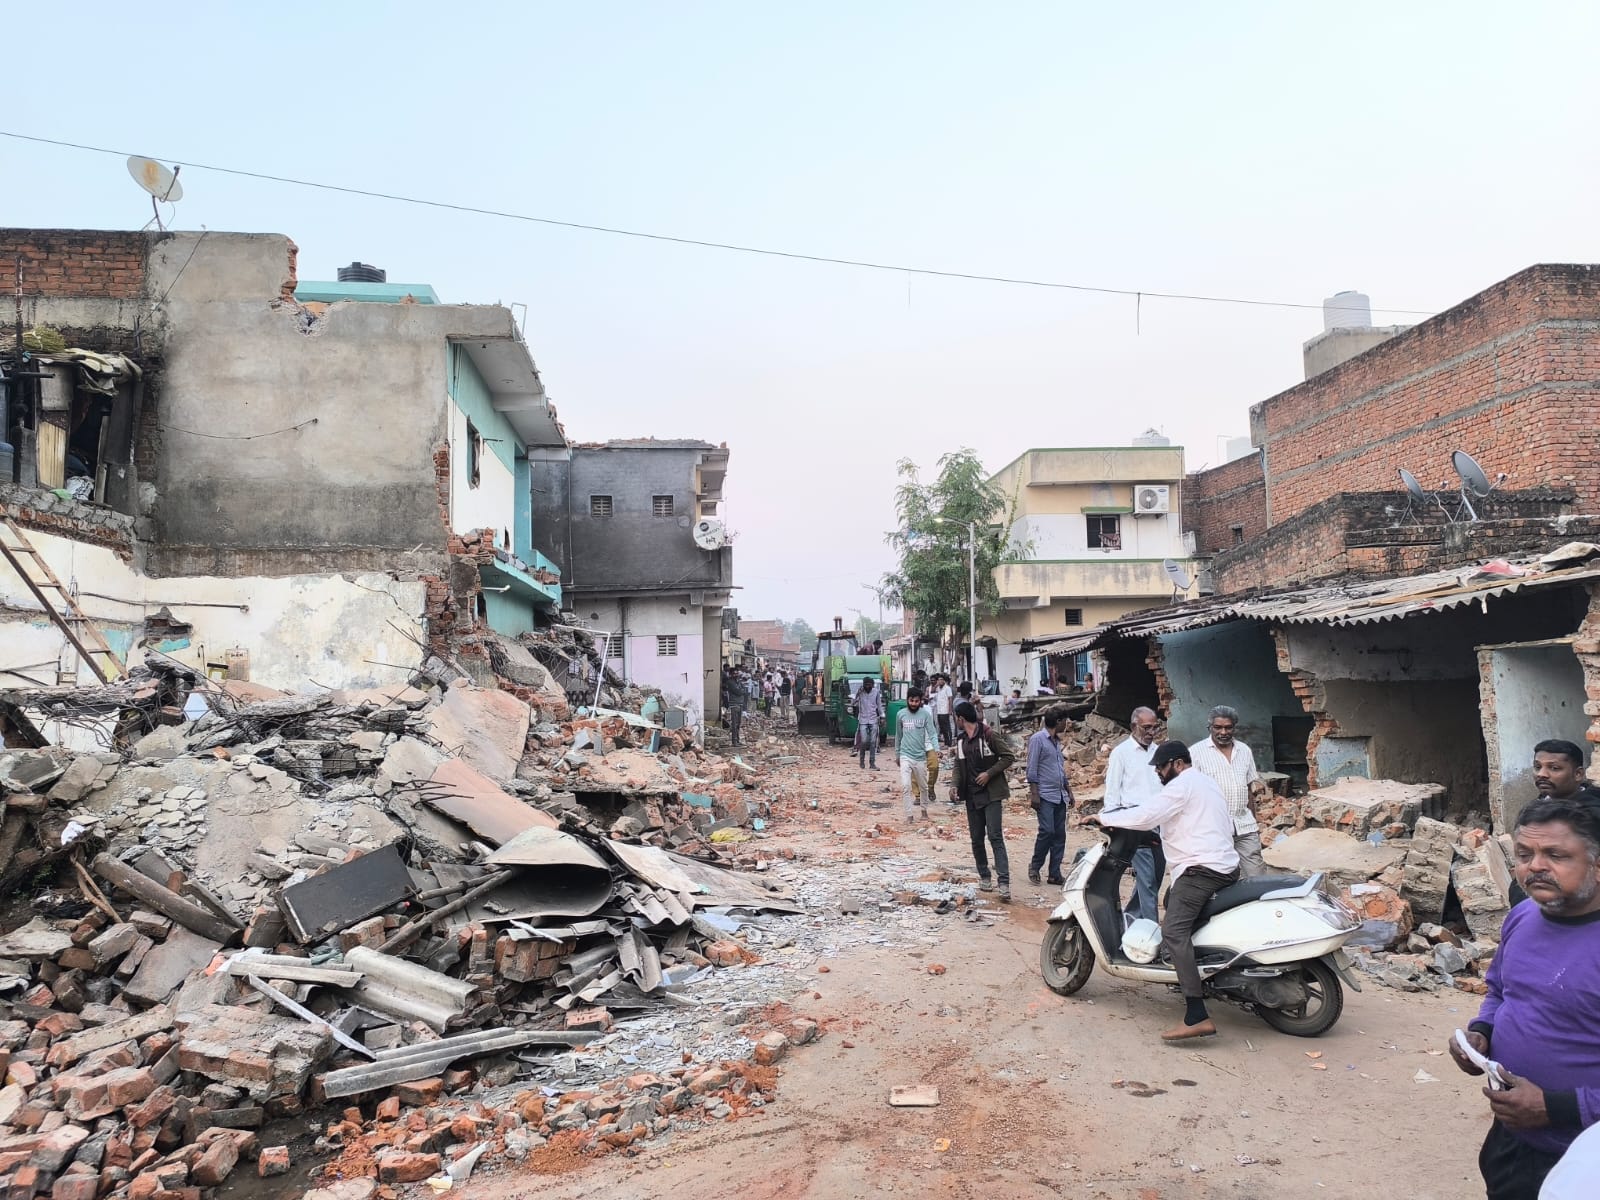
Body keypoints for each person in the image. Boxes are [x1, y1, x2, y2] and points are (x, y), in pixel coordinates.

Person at [1448, 795, 1600, 1200]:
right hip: (1514, 1145)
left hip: (1586, 1163)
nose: (1535, 866)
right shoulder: (1524, 915)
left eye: (1556, 855)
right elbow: (1501, 988)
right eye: (1524, 853)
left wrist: (1558, 1107)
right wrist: (1482, 1032)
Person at [1096, 740, 1239, 1042]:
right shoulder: (1204, 783)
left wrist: (1104, 818)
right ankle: (1193, 970)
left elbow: (1146, 814)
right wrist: (1158, 839)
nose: (1159, 774)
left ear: (1175, 763)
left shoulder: (1181, 785)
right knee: (1170, 898)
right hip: (1221, 864)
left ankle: (1196, 1014)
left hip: (1202, 870)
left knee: (1173, 931)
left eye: (1160, 768)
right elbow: (1189, 821)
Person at [1104, 706, 1167, 922]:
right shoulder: (1121, 753)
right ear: (1134, 726)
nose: (1151, 732)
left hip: (1158, 825)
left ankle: (1130, 919)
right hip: (1135, 825)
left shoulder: (1158, 753)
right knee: (1147, 880)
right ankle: (1150, 932)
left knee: (1156, 878)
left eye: (1154, 727)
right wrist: (1114, 825)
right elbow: (1112, 793)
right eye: (1146, 727)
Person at [950, 700, 1016, 901]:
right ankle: (984, 875)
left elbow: (1008, 756)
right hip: (971, 796)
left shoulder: (988, 735)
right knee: (976, 839)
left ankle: (1003, 882)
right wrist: (954, 785)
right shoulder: (961, 742)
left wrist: (989, 773)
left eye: (956, 718)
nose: (956, 721)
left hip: (992, 794)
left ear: (961, 719)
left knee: (995, 836)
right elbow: (957, 766)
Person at [1189, 705, 1266, 878]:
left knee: (1256, 873)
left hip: (1244, 824)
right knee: (1223, 876)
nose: (1223, 732)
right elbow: (1191, 793)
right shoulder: (1196, 753)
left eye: (1228, 727)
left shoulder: (1244, 751)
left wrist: (1254, 820)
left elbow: (1249, 789)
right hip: (1214, 827)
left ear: (1234, 728)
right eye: (1218, 727)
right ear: (1210, 728)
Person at [1025, 707, 1073, 886]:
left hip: (1059, 795)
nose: (1066, 725)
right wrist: (1034, 793)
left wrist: (1069, 790)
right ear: (1058, 721)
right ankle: (1035, 866)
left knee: (1060, 834)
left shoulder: (1055, 741)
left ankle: (1054, 873)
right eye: (1064, 722)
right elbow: (1032, 768)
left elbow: (1059, 769)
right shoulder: (1038, 740)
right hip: (1044, 794)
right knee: (1047, 831)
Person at [896, 687, 939, 822]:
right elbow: (898, 735)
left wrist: (937, 749)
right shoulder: (900, 714)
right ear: (907, 700)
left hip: (920, 756)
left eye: (916, 701)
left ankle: (924, 811)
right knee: (906, 786)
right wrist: (897, 754)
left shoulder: (925, 715)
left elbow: (932, 733)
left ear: (920, 701)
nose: (913, 703)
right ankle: (909, 815)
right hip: (905, 755)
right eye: (911, 700)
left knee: (923, 786)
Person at [1532, 740, 1600, 802]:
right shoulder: (1533, 808)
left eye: (1554, 768)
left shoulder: (1592, 811)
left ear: (1578, 774)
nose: (1541, 774)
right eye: (1538, 767)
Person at [854, 677, 883, 771]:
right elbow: (853, 703)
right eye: (866, 685)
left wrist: (882, 716)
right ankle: (862, 761)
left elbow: (879, 705)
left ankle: (872, 763)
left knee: (873, 742)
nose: (867, 686)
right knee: (864, 740)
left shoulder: (876, 692)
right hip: (863, 720)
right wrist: (858, 693)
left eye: (869, 685)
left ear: (872, 685)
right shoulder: (861, 692)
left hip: (873, 719)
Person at [721, 669, 746, 747]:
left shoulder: (738, 682)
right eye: (734, 674)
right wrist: (741, 691)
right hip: (734, 704)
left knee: (738, 723)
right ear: (731, 674)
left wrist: (741, 691)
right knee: (734, 724)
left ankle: (737, 740)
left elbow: (744, 690)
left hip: (740, 703)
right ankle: (734, 741)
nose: (736, 675)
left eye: (737, 673)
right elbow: (738, 692)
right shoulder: (730, 682)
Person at [932, 674, 954, 747]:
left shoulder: (947, 688)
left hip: (945, 710)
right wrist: (936, 685)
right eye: (938, 680)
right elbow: (932, 691)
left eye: (941, 679)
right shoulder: (938, 688)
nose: (939, 681)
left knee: (946, 727)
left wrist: (950, 710)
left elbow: (950, 699)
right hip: (939, 711)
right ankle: (946, 743)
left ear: (944, 680)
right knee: (942, 727)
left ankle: (949, 743)